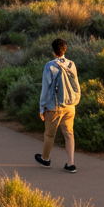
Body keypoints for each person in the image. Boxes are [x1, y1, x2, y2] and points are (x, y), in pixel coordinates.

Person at [35, 37, 80, 173]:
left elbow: (45, 88)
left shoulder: (50, 66)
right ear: (64, 50)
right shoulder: (71, 64)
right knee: (69, 134)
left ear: (53, 51)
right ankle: (70, 164)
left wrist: (42, 107)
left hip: (55, 106)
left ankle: (46, 159)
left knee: (49, 134)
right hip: (70, 105)